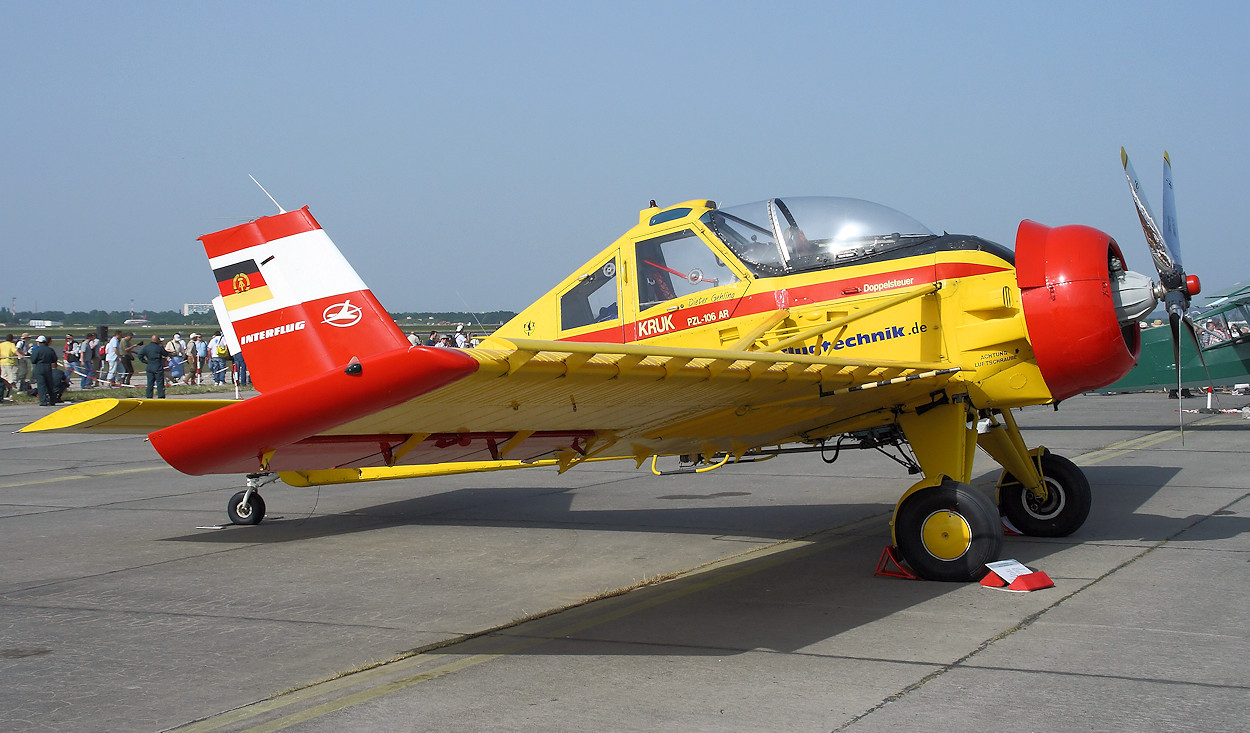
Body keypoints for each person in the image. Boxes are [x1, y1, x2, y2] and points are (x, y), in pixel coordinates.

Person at [30, 335, 59, 406]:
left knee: (41, 385)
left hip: (39, 368)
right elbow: (54, 359)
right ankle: (52, 400)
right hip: (48, 367)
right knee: (49, 384)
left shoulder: (37, 350)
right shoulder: (50, 350)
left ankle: (43, 401)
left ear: (39, 342)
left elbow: (33, 360)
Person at [137, 335, 168, 399]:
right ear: (157, 340)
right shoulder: (159, 347)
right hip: (158, 366)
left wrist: (146, 361)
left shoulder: (146, 347)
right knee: (159, 382)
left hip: (150, 366)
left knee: (150, 383)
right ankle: (161, 396)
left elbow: (140, 355)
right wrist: (161, 346)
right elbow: (165, 354)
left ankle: (149, 396)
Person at [0, 335, 17, 401]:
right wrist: (21, 355)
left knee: (4, 377)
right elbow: (15, 351)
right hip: (10, 363)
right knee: (11, 379)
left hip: (2, 362)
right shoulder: (11, 345)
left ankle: (4, 393)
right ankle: (10, 393)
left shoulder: (1, 344)